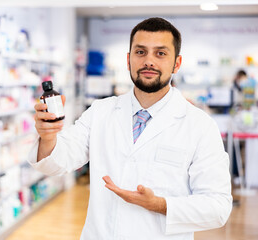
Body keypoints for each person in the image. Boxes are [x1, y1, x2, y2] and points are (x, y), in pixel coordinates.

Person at [28, 17, 232, 239]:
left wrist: (160, 205)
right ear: (128, 60)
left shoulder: (199, 126)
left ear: (177, 63)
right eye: (140, 52)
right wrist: (48, 137)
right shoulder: (101, 112)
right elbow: (56, 163)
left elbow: (218, 207)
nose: (149, 61)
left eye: (160, 53)